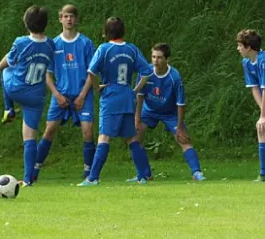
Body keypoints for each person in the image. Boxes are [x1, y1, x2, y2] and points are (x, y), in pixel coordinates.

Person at [79, 17, 152, 186]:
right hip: (127, 95)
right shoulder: (132, 49)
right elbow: (147, 72)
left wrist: (97, 87)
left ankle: (93, 178)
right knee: (131, 138)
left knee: (104, 137)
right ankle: (142, 176)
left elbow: (91, 71)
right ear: (123, 31)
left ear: (105, 32)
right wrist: (134, 90)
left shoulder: (104, 49)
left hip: (111, 96)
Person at [31, 4, 96, 182]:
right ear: (60, 18)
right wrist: (57, 95)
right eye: (65, 16)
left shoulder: (86, 43)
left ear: (77, 19)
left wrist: (82, 95)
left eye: (72, 16)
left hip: (83, 94)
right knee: (49, 130)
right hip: (61, 95)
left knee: (88, 131)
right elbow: (47, 74)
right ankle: (34, 170)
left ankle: (89, 172)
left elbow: (92, 73)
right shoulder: (53, 44)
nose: (69, 19)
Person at [0, 5, 55, 187]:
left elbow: (4, 64)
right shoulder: (50, 44)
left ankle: (8, 109)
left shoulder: (21, 42)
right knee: (29, 137)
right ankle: (28, 179)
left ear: (26, 23)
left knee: (4, 71)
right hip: (36, 96)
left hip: (17, 89)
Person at [131, 43, 205, 181]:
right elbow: (139, 96)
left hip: (170, 113)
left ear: (167, 59)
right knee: (135, 137)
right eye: (153, 57)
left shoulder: (174, 77)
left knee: (183, 139)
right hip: (149, 111)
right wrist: (137, 119)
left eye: (159, 57)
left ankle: (197, 172)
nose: (155, 61)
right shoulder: (145, 72)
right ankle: (144, 174)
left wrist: (180, 126)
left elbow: (180, 103)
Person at [237, 29, 265, 181]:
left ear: (248, 47)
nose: (238, 48)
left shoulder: (263, 61)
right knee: (262, 129)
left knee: (262, 125)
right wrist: (263, 113)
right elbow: (255, 88)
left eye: (240, 45)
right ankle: (263, 173)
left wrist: (263, 116)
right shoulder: (247, 62)